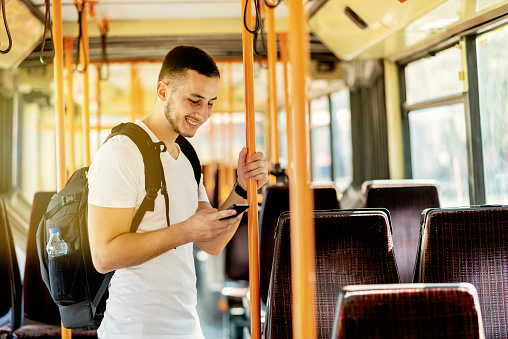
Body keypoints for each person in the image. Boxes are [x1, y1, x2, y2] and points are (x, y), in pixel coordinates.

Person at [87, 45, 269, 339]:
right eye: (194, 100)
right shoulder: (121, 153)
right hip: (134, 329)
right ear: (162, 92)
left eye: (210, 103)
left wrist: (242, 189)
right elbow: (105, 255)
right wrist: (185, 232)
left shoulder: (186, 154)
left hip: (187, 326)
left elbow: (212, 243)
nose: (203, 113)